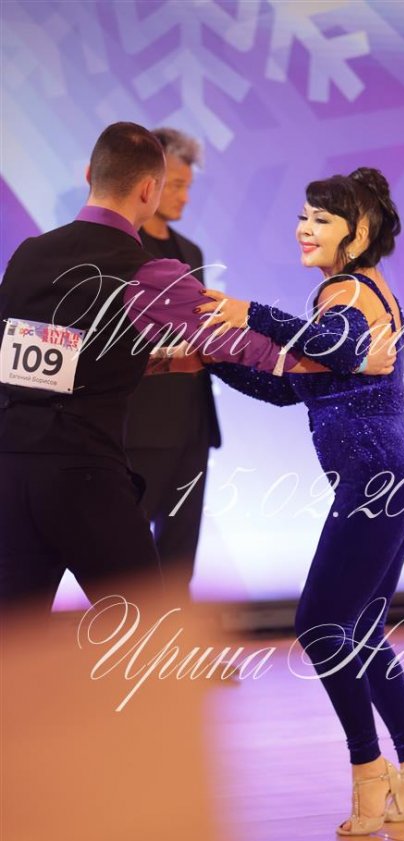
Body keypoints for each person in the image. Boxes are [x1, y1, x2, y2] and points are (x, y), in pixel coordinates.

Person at [0, 124, 395, 615]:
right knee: (146, 631)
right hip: (85, 478)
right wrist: (349, 359)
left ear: (89, 177)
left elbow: (54, 357)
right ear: (149, 189)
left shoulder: (27, 256)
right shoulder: (147, 272)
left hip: (11, 471)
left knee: (12, 638)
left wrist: (160, 363)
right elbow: (243, 346)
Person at [198, 168, 404, 836]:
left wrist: (249, 313)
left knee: (319, 624)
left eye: (320, 219)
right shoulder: (350, 292)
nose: (304, 229)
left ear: (358, 232)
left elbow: (336, 346)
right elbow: (291, 387)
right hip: (394, 474)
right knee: (359, 628)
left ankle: (370, 771)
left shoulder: (348, 292)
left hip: (380, 478)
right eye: (303, 216)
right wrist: (211, 356)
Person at [125, 128, 220, 600]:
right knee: (130, 554)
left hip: (192, 426)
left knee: (181, 552)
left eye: (188, 186)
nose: (184, 196)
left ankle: (175, 641)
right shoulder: (123, 249)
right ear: (150, 183)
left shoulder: (191, 251)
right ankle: (129, 639)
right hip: (141, 428)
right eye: (176, 185)